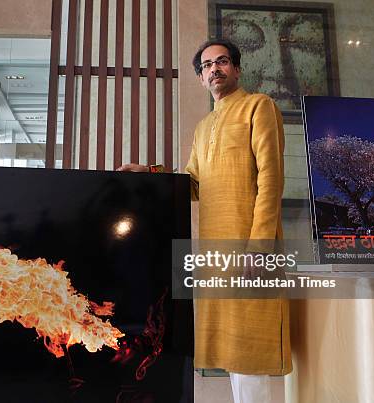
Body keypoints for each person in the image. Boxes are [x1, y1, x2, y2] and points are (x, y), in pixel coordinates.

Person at [118, 39, 292, 403]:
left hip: (250, 250)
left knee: (249, 350)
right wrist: (150, 174)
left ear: (237, 69)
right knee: (231, 350)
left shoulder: (258, 107)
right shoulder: (203, 127)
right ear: (200, 77)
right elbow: (193, 184)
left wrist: (259, 249)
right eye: (207, 65)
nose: (215, 69)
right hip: (217, 254)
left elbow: (271, 181)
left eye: (223, 61)